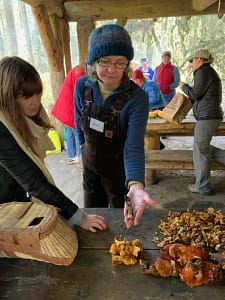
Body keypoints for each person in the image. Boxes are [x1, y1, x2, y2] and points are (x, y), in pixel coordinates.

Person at [0, 56, 107, 233]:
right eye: (26, 96)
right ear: (7, 97)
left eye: (37, 93)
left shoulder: (22, 118)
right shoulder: (3, 128)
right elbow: (33, 181)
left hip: (16, 195)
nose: (35, 101)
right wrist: (79, 218)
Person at [74, 24, 155, 229]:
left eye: (120, 63)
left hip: (121, 173)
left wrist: (136, 184)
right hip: (90, 169)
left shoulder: (138, 98)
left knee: (124, 222)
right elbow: (78, 123)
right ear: (93, 62)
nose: (112, 70)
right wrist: (83, 151)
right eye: (105, 61)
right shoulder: (82, 86)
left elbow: (134, 145)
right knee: (93, 220)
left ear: (128, 64)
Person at [179, 49, 223, 195]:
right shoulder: (207, 72)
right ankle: (202, 184)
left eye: (192, 61)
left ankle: (202, 187)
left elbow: (195, 93)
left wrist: (183, 86)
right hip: (210, 116)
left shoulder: (203, 72)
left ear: (199, 59)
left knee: (200, 150)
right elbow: (198, 96)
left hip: (207, 117)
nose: (192, 64)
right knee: (202, 148)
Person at [51, 64, 86, 165]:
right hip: (70, 109)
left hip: (63, 108)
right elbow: (81, 95)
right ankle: (81, 159)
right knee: (78, 134)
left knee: (70, 133)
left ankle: (71, 156)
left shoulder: (78, 69)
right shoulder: (81, 73)